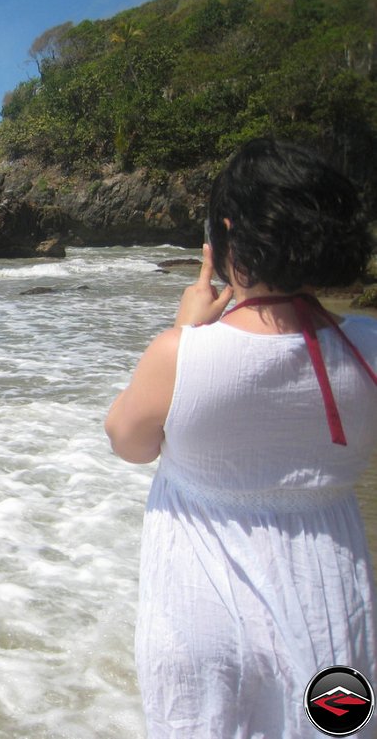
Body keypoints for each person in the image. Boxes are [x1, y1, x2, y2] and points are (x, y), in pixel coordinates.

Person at [105, 137, 377, 737]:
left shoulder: (181, 354)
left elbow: (128, 441)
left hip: (197, 606)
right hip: (329, 591)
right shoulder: (368, 346)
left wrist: (185, 330)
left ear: (227, 237)